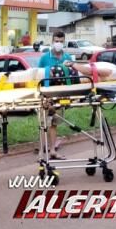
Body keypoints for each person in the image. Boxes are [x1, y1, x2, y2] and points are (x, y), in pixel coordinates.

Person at [38, 31, 74, 159]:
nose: (58, 43)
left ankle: (52, 150)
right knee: (43, 123)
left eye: (61, 41)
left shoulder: (68, 58)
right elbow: (38, 75)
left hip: (61, 96)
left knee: (54, 123)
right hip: (46, 96)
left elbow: (71, 76)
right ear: (52, 41)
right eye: (56, 41)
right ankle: (42, 151)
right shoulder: (44, 58)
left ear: (64, 42)